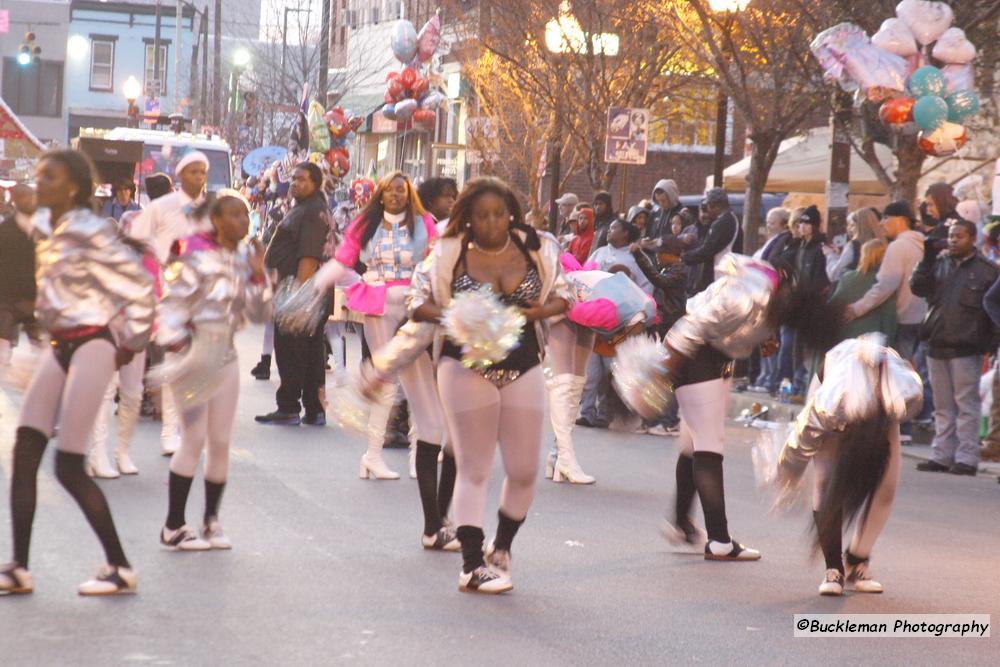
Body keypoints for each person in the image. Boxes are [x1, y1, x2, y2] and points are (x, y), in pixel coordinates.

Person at [365, 177, 573, 593]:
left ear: (511, 212)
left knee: (524, 470)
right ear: (468, 219)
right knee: (474, 466)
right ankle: (471, 564)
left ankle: (501, 549)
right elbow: (416, 300)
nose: (492, 222)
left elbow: (565, 297)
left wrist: (537, 313)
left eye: (499, 214)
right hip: (463, 364)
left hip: (522, 362)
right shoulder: (447, 251)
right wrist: (453, 318)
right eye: (482, 216)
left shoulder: (538, 249)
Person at [0, 150, 154, 596]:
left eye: (48, 176)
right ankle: (19, 568)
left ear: (72, 187)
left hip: (91, 345)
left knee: (69, 465)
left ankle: (120, 566)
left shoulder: (90, 230)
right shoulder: (50, 227)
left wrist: (130, 344)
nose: (38, 181)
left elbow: (140, 288)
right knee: (26, 450)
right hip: (59, 345)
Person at [655, 253, 843, 561]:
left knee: (693, 442)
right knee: (708, 446)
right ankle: (719, 540)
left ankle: (680, 522)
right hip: (700, 357)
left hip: (705, 357)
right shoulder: (749, 295)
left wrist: (761, 336)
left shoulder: (768, 290)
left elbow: (731, 323)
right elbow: (695, 325)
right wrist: (661, 369)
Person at [312, 171, 446, 492]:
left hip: (416, 302)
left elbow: (440, 260)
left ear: (409, 193)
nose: (396, 196)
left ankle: (419, 455)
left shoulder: (424, 223)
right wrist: (314, 287)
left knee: (421, 377)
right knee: (386, 378)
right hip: (379, 301)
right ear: (381, 194)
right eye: (390, 191)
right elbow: (343, 260)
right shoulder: (364, 223)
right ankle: (373, 454)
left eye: (402, 190)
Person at [158, 192, 273, 550]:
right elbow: (170, 307)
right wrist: (179, 342)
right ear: (216, 220)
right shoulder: (193, 255)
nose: (243, 221)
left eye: (245, 215)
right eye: (235, 215)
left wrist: (258, 277)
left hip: (227, 354)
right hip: (193, 354)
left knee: (220, 441)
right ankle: (173, 525)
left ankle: (211, 520)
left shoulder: (242, 260)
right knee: (193, 438)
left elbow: (259, 316)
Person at [777, 336, 921, 596]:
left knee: (887, 484)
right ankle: (833, 569)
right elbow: (797, 447)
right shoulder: (827, 407)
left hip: (882, 389)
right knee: (824, 477)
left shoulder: (902, 394)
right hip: (835, 378)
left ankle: (857, 560)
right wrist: (787, 476)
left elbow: (885, 486)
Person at [129, 154, 209, 457]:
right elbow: (134, 238)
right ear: (180, 175)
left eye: (203, 172)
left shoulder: (209, 210)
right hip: (168, 293)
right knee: (175, 362)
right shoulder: (161, 207)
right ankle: (168, 431)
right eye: (193, 171)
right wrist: (158, 262)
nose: (199, 177)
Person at [911, 220, 998, 476]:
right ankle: (942, 454)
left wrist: (992, 341)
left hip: (966, 346)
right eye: (950, 236)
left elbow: (992, 309)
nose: (952, 240)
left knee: (965, 405)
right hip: (937, 342)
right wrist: (926, 258)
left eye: (958, 236)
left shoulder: (987, 271)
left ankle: (967, 457)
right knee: (942, 405)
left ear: (972, 238)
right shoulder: (939, 264)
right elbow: (918, 286)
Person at [845, 201, 927, 441]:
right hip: (924, 318)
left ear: (900, 219)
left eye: (886, 219)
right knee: (915, 372)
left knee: (898, 374)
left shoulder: (898, 247)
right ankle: (912, 422)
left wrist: (857, 308)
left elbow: (885, 285)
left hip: (903, 317)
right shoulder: (923, 243)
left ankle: (903, 427)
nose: (881, 224)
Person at [256, 163, 331, 426]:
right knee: (309, 353)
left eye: (302, 179)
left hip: (300, 293)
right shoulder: (307, 208)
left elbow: (308, 255)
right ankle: (314, 408)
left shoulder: (311, 212)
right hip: (304, 292)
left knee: (292, 352)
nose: (296, 183)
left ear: (315, 183)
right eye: (294, 179)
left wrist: (298, 298)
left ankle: (289, 406)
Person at [0, 184, 40, 367]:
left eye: (30, 196)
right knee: (3, 348)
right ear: (15, 200)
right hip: (7, 297)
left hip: (33, 297)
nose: (28, 200)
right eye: (24, 196)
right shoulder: (5, 230)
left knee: (42, 350)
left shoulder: (42, 229)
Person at [830, 239, 897, 342]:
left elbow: (834, 307)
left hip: (849, 339)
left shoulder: (848, 278)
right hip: (875, 341)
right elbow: (889, 316)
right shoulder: (886, 282)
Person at [681, 188, 743, 296]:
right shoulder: (732, 218)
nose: (707, 210)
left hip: (720, 278)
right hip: (728, 276)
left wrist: (683, 257)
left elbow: (707, 250)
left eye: (708, 206)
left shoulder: (722, 222)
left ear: (716, 205)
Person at [587, 220, 654, 295]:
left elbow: (646, 284)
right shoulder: (599, 252)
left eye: (613, 228)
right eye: (609, 228)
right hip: (595, 300)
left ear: (625, 233)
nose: (608, 231)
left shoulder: (638, 256)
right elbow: (585, 275)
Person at [826, 208, 882, 283]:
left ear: (859, 226)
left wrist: (830, 255)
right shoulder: (884, 244)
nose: (849, 229)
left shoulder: (853, 246)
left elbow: (834, 274)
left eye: (852, 225)